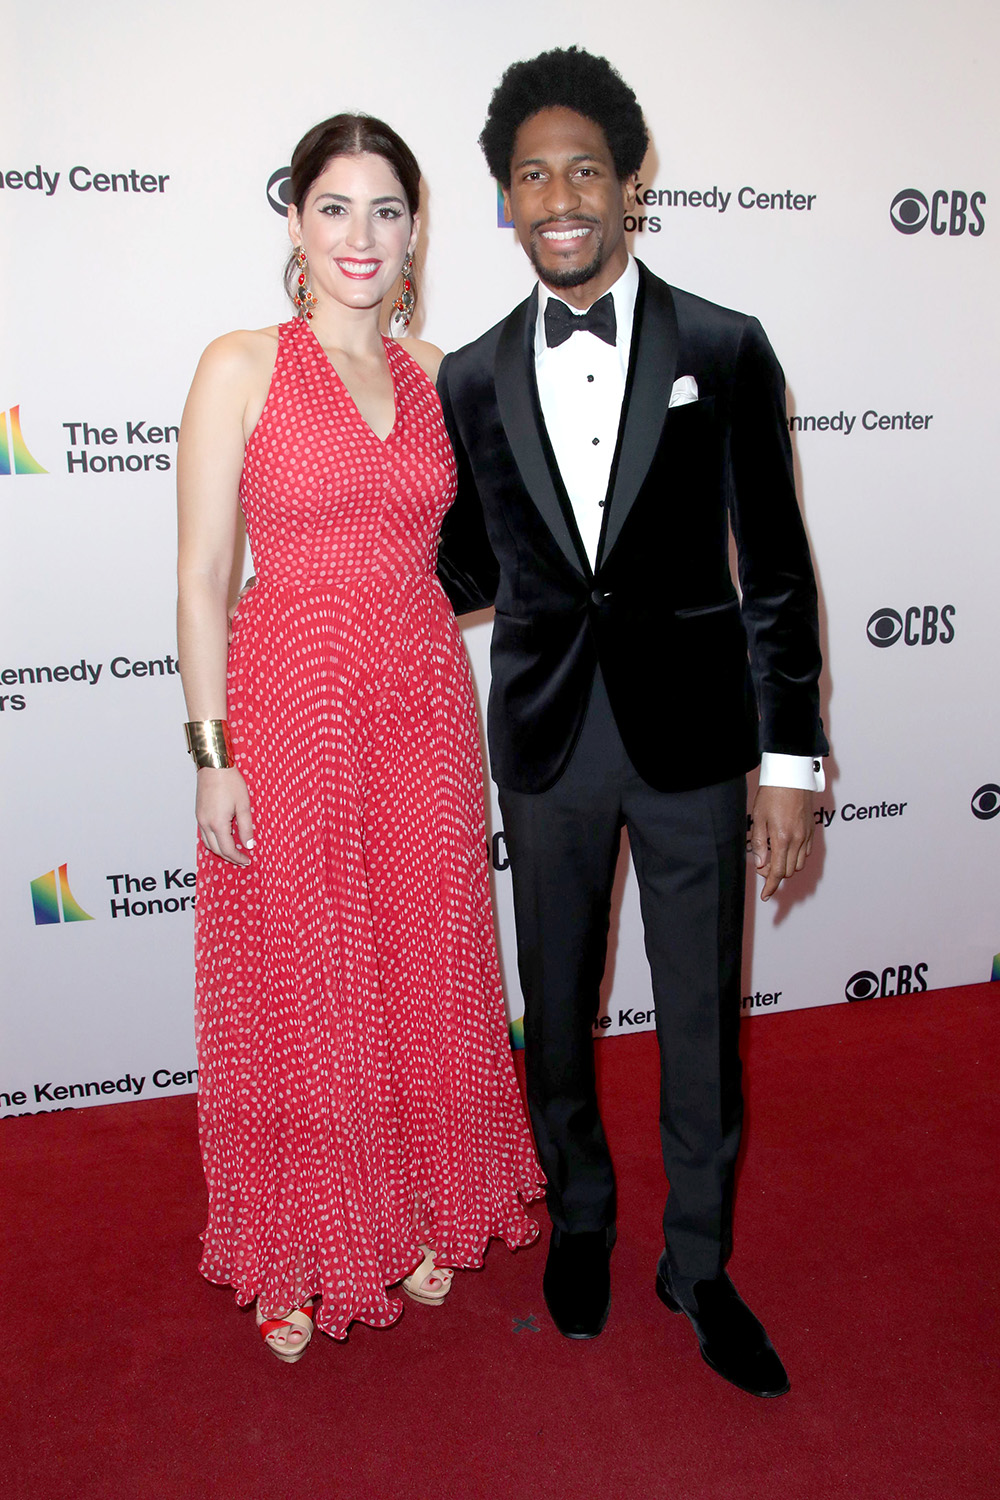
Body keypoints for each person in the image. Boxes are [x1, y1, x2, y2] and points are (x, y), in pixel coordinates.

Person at [435, 48, 827, 1397]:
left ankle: (700, 1263)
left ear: (629, 180)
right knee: (555, 1011)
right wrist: (330, 584)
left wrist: (789, 764)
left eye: (584, 168)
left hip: (696, 743)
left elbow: (772, 571)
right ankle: (584, 1218)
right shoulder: (474, 375)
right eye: (532, 174)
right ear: (504, 199)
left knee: (704, 1016)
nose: (559, 195)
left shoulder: (722, 345)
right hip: (545, 740)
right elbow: (471, 561)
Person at [176, 113, 543, 1361]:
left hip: (421, 697)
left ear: (418, 230)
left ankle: (406, 1210)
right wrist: (211, 750)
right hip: (289, 699)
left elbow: (500, 552)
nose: (361, 235)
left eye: (387, 210)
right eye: (336, 207)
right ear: (295, 221)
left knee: (421, 960)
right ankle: (297, 1245)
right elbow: (202, 573)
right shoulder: (238, 364)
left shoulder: (446, 374)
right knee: (303, 971)